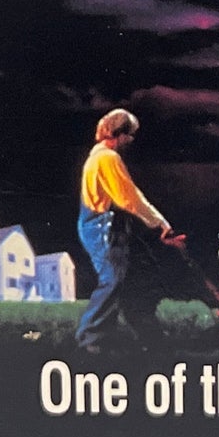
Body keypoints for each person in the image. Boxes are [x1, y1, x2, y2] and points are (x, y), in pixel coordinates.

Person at [75, 108, 182, 351]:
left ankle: (147, 337)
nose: (131, 140)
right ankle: (90, 340)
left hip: (100, 224)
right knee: (112, 281)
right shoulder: (107, 158)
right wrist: (161, 223)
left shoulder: (96, 156)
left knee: (125, 282)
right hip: (104, 226)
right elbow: (129, 198)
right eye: (130, 135)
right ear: (119, 134)